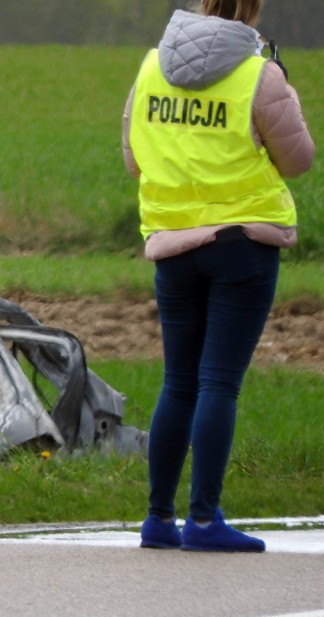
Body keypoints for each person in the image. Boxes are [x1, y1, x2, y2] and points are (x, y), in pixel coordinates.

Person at [121, 0, 315, 552]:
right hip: (241, 246)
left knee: (177, 382)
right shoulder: (260, 73)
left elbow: (134, 157)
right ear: (250, 10)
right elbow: (298, 159)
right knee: (218, 383)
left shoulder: (151, 65)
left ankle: (159, 519)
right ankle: (204, 520)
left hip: (172, 242)